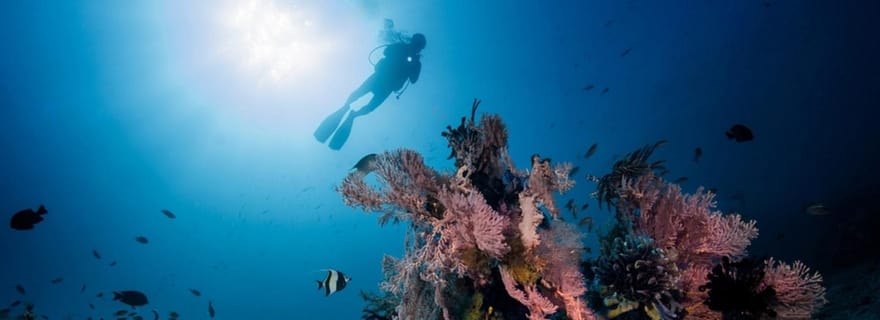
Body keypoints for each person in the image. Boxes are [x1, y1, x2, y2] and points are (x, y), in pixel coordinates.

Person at [314, 33, 426, 150]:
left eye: (418, 45)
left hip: (385, 84)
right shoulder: (401, 47)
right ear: (413, 41)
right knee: (356, 97)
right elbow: (386, 52)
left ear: (420, 48)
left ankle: (351, 114)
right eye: (416, 42)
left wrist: (412, 64)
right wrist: (401, 53)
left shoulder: (416, 63)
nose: (416, 46)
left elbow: (413, 80)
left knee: (367, 106)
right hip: (380, 79)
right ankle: (347, 111)